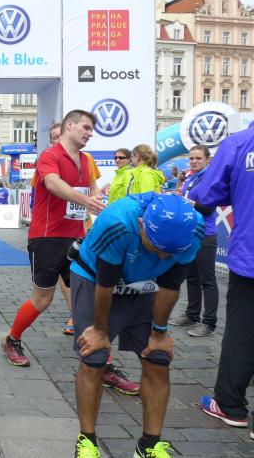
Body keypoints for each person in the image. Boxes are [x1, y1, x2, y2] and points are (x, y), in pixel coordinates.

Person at [70, 193, 203, 458]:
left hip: (146, 283)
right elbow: (106, 284)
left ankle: (149, 445)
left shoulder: (193, 230)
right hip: (96, 278)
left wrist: (160, 333)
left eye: (170, 253)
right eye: (157, 248)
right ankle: (87, 440)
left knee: (158, 358)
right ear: (142, 224)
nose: (164, 256)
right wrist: (99, 331)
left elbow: (170, 285)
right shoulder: (117, 223)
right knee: (94, 357)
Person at [1, 111, 105, 367]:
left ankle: (101, 360)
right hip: (47, 238)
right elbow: (52, 184)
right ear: (70, 126)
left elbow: (92, 190)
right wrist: (86, 200)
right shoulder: (50, 156)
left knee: (88, 297)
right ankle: (12, 340)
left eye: (92, 129)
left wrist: (98, 199)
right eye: (86, 127)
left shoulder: (86, 160)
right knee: (42, 300)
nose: (90, 133)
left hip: (78, 238)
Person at [189, 121, 254, 432]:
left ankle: (230, 405)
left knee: (243, 333)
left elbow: (206, 195)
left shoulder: (240, 143)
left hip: (250, 257)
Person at [169, 146, 218, 337]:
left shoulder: (210, 178)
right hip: (189, 233)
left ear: (207, 160)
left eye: (198, 158)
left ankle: (209, 323)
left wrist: (188, 202)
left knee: (208, 280)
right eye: (191, 158)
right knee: (191, 277)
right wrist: (179, 196)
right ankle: (192, 315)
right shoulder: (191, 177)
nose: (194, 161)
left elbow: (209, 209)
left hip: (205, 233)